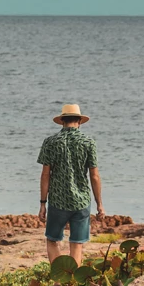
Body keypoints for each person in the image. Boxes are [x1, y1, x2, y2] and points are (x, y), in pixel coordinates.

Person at [37, 103, 103, 264]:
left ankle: (59, 278)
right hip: (81, 201)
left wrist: (43, 203)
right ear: (79, 121)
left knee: (52, 240)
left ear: (62, 121)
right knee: (77, 244)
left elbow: (46, 175)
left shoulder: (50, 142)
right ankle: (72, 285)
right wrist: (99, 204)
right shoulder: (88, 142)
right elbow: (94, 176)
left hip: (58, 201)